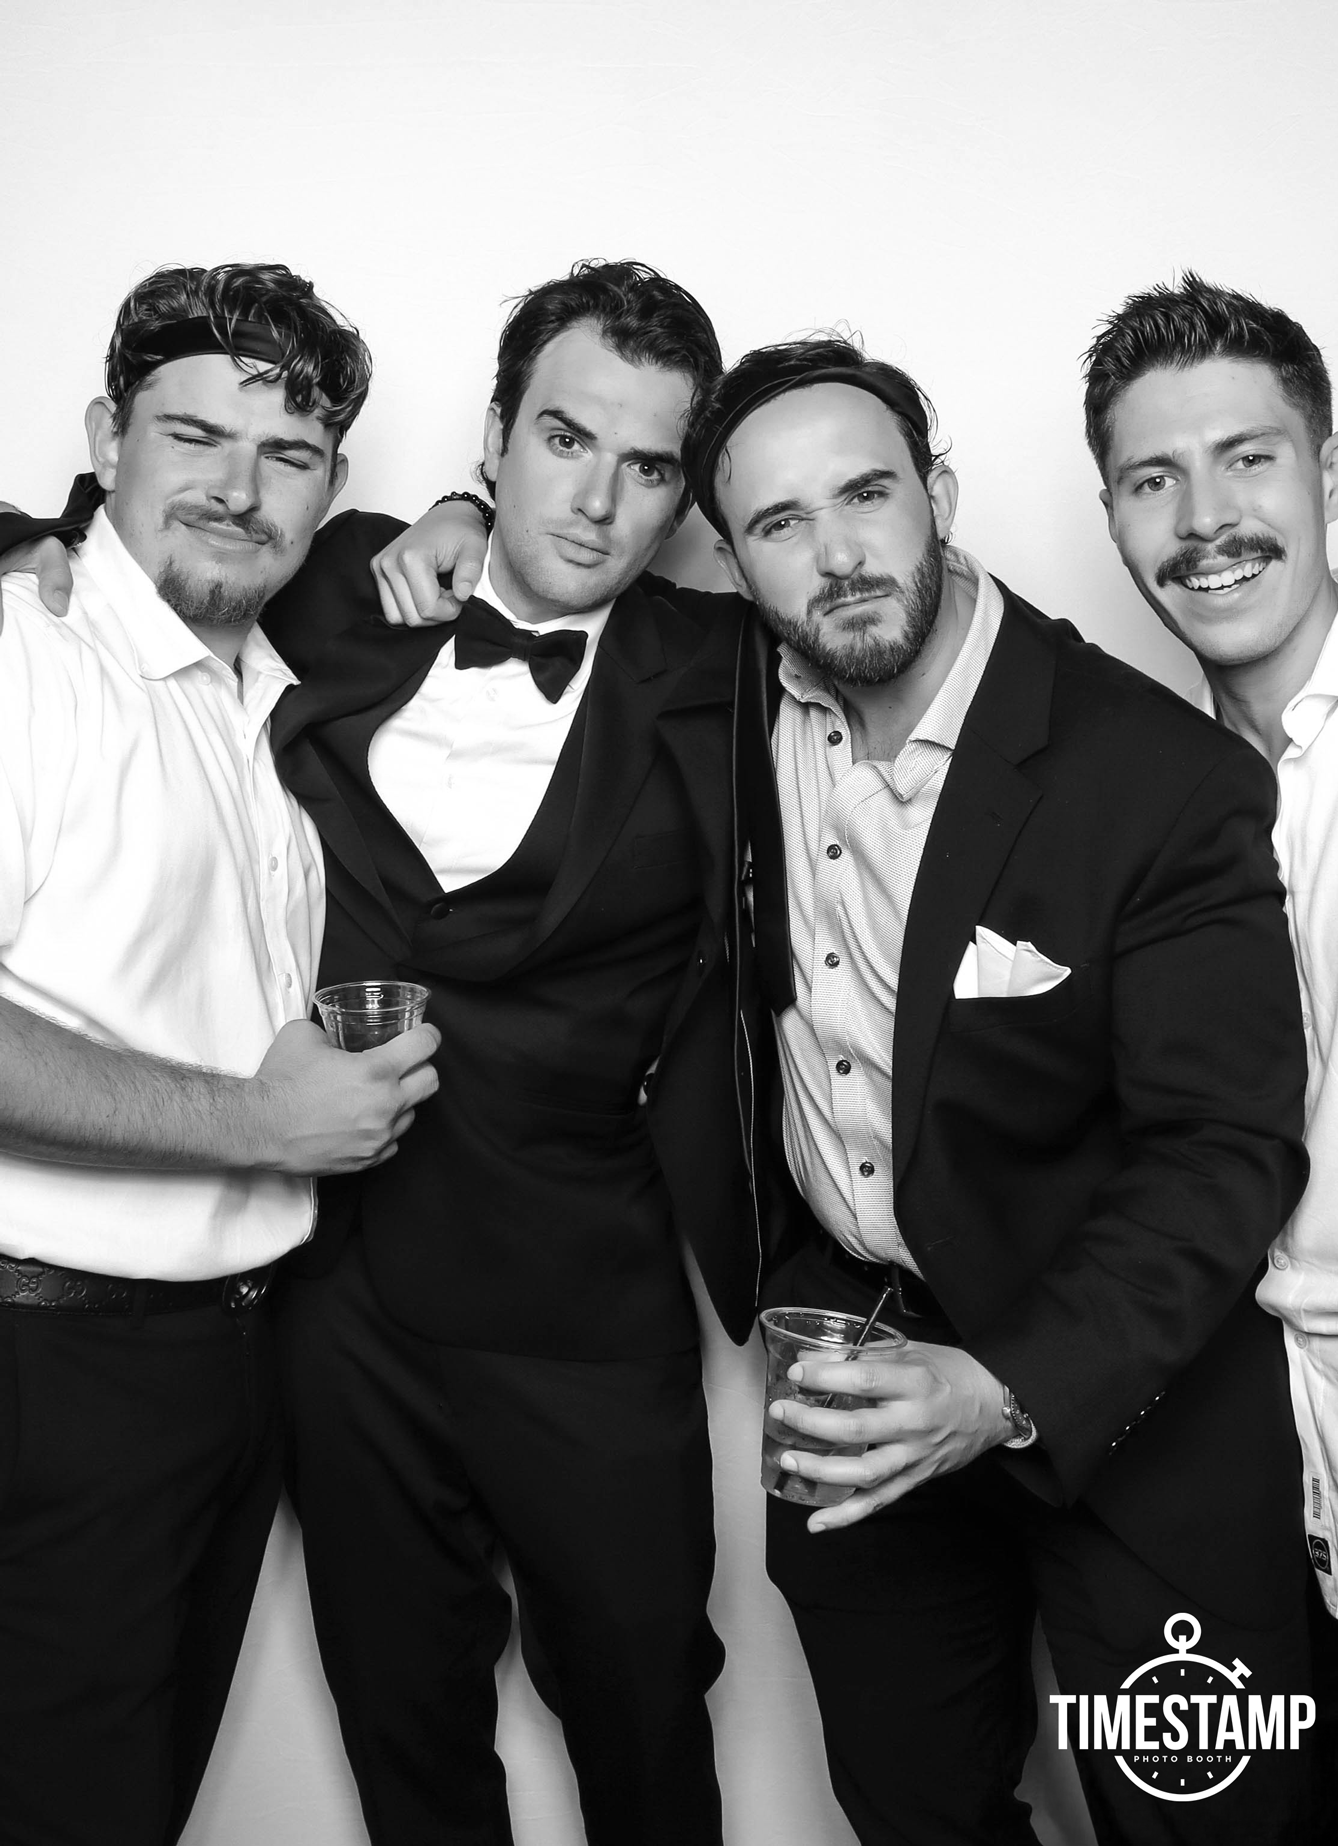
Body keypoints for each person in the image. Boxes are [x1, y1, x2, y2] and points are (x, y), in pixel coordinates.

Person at [0, 260, 769, 1845]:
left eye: (647, 467)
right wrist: (33, 543)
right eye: (562, 440)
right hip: (326, 1307)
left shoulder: (726, 668)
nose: (598, 500)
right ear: (491, 438)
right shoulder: (331, 585)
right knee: (400, 1734)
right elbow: (159, 532)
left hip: (580, 1308)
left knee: (642, 1719)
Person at [671, 333, 1312, 1845]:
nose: (834, 556)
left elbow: (1219, 1149)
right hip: (856, 1372)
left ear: (936, 491)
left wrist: (1008, 1388)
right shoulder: (715, 701)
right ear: (728, 561)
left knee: (1201, 1824)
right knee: (912, 1812)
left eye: (866, 495)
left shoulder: (1153, 774)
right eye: (776, 525)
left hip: (1128, 1401)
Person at [0, 262, 440, 1846]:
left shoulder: (263, 693)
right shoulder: (23, 660)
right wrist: (253, 1120)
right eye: (194, 437)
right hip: (48, 1363)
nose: (240, 493)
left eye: (291, 458)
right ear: (108, 435)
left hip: (232, 1362)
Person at [1084, 271, 1338, 1839]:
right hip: (1257, 1445)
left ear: (1326, 474)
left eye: (1246, 458)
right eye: (1151, 478)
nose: (1203, 518)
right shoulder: (1153, 794)